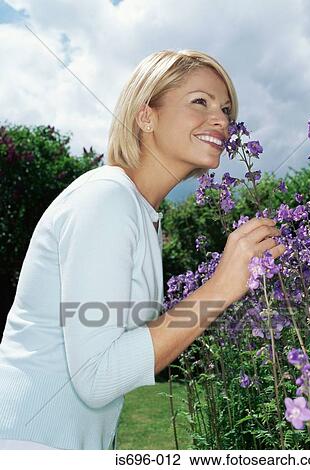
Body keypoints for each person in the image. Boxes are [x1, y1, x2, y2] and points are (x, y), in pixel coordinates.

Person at [0, 49, 286, 450]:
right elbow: (98, 376)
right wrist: (221, 287)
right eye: (199, 102)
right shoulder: (105, 198)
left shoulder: (139, 211)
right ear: (145, 115)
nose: (222, 120)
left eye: (225, 109)